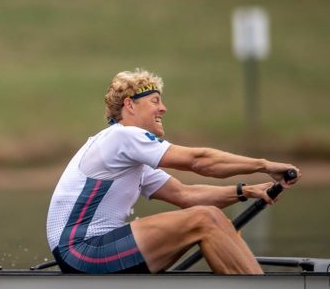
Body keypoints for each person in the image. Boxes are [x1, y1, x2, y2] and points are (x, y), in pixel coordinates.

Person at [46, 69, 300, 276]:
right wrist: (264, 165)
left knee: (209, 217)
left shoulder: (127, 154)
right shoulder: (122, 137)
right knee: (206, 219)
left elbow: (186, 195)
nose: (163, 108)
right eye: (155, 101)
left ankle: (247, 286)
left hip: (85, 251)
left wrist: (246, 191)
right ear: (130, 105)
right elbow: (198, 161)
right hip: (81, 250)